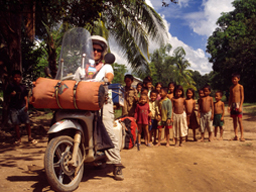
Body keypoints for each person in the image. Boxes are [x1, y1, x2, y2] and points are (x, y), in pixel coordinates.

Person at [90, 35, 124, 180]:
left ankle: (116, 164)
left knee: (108, 130)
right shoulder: (84, 66)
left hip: (103, 101)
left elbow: (110, 75)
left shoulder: (106, 66)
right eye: (93, 49)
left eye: (98, 50)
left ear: (102, 53)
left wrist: (106, 80)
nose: (95, 52)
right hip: (85, 101)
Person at [6, 70, 37, 145]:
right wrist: (11, 95)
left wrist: (27, 105)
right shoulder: (10, 86)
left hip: (22, 106)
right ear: (13, 78)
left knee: (27, 122)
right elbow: (7, 97)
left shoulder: (23, 87)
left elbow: (26, 97)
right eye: (15, 77)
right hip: (13, 107)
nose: (17, 79)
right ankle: (18, 139)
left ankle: (30, 137)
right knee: (16, 124)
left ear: (21, 78)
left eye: (18, 77)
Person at [228, 73, 244, 142]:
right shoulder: (231, 88)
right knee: (234, 121)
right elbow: (230, 97)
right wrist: (229, 106)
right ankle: (236, 135)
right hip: (233, 105)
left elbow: (242, 97)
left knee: (240, 121)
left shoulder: (240, 87)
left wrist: (240, 106)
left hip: (238, 104)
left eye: (235, 79)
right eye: (232, 79)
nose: (234, 80)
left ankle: (242, 136)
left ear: (238, 79)